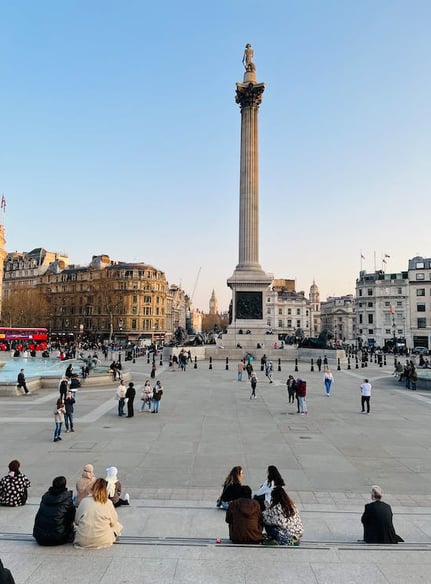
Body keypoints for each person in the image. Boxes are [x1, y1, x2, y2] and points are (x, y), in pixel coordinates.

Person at [74, 478, 123, 549]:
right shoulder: (108, 503)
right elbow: (114, 522)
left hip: (82, 541)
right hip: (102, 540)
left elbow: (76, 521)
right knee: (117, 526)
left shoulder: (84, 501)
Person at [33, 475, 76, 546]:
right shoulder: (67, 498)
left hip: (39, 537)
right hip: (58, 538)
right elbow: (72, 516)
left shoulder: (45, 497)